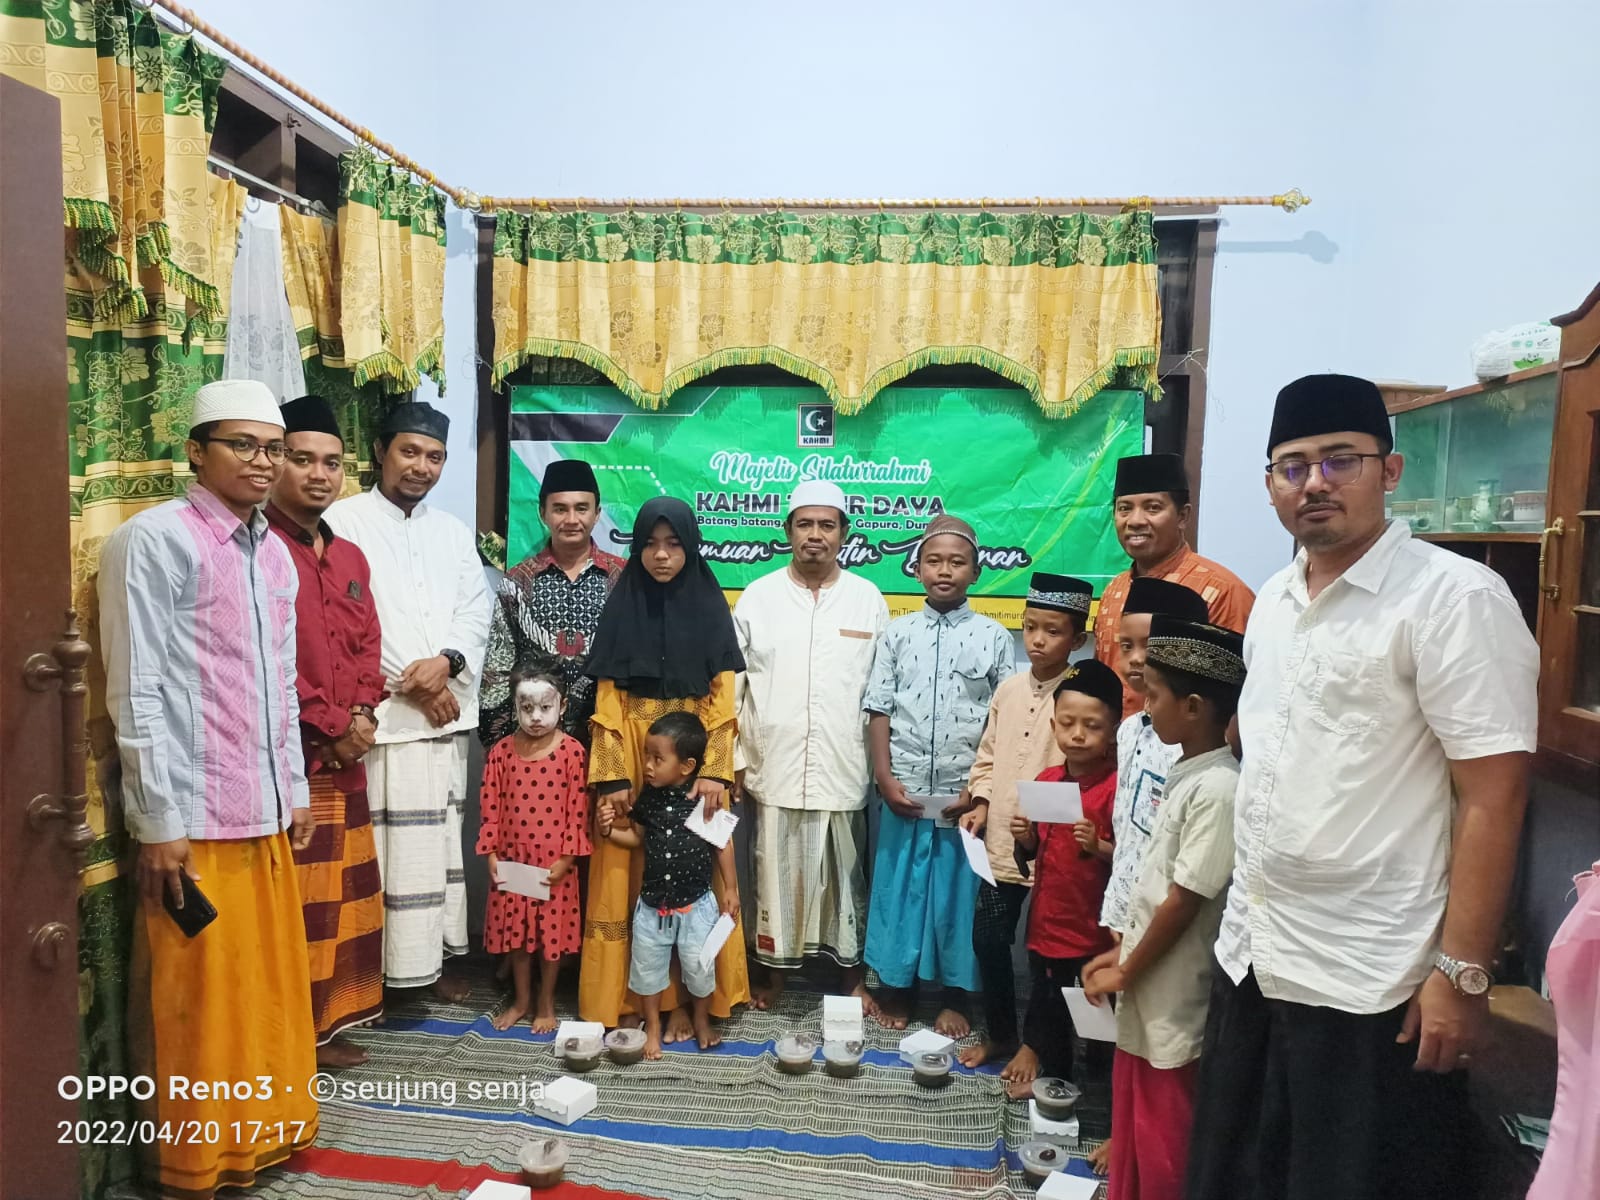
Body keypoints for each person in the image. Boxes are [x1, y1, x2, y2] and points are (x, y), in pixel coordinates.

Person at [1184, 374, 1540, 1200]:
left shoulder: (1454, 600)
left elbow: (1494, 799)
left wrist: (1463, 974)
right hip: (1256, 957)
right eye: (1292, 466)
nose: (1315, 483)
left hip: (1372, 977)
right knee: (1240, 1177)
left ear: (1391, 470)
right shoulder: (1272, 601)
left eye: (1340, 460)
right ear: (1271, 484)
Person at [99, 379, 319, 1197]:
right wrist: (156, 819)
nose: (264, 463)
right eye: (245, 445)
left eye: (275, 449)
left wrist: (293, 787)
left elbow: (280, 686)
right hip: (191, 815)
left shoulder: (274, 552)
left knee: (261, 993)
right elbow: (138, 688)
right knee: (201, 1003)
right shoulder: (152, 542)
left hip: (260, 809)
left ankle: (263, 1135)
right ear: (197, 450)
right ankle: (195, 1161)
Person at [325, 401, 492, 1001]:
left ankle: (430, 965)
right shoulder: (341, 523)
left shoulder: (449, 531)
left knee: (439, 852)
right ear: (379, 451)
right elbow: (345, 623)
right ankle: (378, 977)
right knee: (385, 854)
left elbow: (476, 610)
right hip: (384, 725)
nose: (422, 466)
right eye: (410, 451)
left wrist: (447, 663)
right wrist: (414, 682)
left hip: (442, 721)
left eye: (435, 456)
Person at [1084, 617, 1243, 1200]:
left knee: (1164, 1122)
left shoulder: (1220, 788)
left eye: (1154, 696)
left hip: (1176, 983)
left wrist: (1129, 966)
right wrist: (1123, 952)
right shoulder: (1189, 771)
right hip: (1148, 971)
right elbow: (1156, 892)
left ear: (1195, 706)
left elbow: (1184, 901)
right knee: (1133, 1103)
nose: (1146, 708)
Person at [578, 497, 750, 1038]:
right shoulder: (622, 602)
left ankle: (691, 1003)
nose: (660, 556)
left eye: (673, 544)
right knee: (626, 874)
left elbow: (723, 704)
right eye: (650, 544)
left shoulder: (709, 605)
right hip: (633, 757)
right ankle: (629, 1002)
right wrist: (613, 778)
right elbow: (607, 703)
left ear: (691, 547)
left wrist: (715, 772)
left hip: (694, 760)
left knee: (696, 883)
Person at [732, 479, 890, 1011]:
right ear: (788, 532)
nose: (815, 536)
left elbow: (881, 689)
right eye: (805, 524)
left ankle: (849, 979)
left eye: (827, 525)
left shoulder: (867, 599)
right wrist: (731, 760)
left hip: (844, 765)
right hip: (772, 763)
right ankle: (772, 976)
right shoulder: (759, 595)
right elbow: (733, 685)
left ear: (844, 534)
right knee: (773, 877)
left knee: (845, 880)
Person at [266, 393, 386, 1069]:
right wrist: (334, 725)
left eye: (331, 462)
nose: (318, 474)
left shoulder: (351, 560)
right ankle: (292, 1038)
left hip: (349, 756)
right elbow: (274, 662)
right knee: (300, 909)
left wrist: (364, 716)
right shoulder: (263, 553)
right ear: (277, 463)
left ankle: (329, 1027)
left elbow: (368, 644)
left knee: (345, 904)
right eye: (302, 458)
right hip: (296, 764)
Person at [862, 514, 1015, 1035]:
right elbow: (878, 708)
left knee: (956, 900)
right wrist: (883, 778)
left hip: (962, 800)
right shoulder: (897, 633)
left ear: (976, 571)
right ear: (916, 567)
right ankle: (898, 988)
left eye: (956, 562)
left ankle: (956, 997)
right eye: (933, 561)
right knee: (899, 896)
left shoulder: (993, 637)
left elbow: (1004, 718)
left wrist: (979, 793)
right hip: (903, 790)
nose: (944, 571)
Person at [957, 572, 1093, 1073]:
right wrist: (981, 802)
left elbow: (1088, 771)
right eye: (1031, 627)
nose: (1037, 640)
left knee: (1047, 955)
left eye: (1052, 631)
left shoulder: (1082, 696)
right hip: (1000, 841)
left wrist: (1044, 827)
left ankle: (1038, 1045)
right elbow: (988, 756)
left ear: (1077, 639)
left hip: (1056, 850)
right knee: (989, 938)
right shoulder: (1011, 689)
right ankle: (1000, 1034)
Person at [1005, 659, 1123, 1098]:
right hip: (1048, 920)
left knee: (1098, 1011)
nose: (1077, 735)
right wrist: (1026, 837)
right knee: (1050, 1000)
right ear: (1053, 725)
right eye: (1068, 723)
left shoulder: (1116, 788)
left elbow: (1131, 862)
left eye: (1091, 726)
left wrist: (1099, 846)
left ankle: (1102, 1080)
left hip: (1093, 929)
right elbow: (1036, 853)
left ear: (1113, 730)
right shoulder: (1048, 780)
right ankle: (1054, 1080)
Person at [597, 712, 741, 1058]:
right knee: (647, 971)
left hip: (697, 905)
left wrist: (732, 889)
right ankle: (654, 1028)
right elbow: (637, 838)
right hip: (651, 906)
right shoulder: (648, 797)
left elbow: (722, 843)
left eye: (657, 758)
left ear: (687, 766)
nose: (647, 765)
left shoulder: (702, 798)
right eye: (647, 755)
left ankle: (702, 1019)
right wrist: (608, 832)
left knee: (700, 969)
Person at [1093, 454, 1255, 718]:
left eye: (1152, 507)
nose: (1134, 520)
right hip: (1115, 751)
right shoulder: (1114, 591)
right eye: (1124, 508)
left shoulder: (1222, 592)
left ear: (1183, 515)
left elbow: (1238, 700)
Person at [481, 458, 625, 747]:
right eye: (560, 509)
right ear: (542, 513)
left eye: (581, 508)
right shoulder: (518, 582)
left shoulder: (623, 580)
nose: (571, 520)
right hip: (533, 743)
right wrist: (498, 743)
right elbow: (498, 668)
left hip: (606, 744)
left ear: (597, 514)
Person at [477, 668, 590, 1032]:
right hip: (513, 863)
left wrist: (567, 858)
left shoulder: (573, 753)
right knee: (518, 939)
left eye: (545, 707)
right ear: (515, 708)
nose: (536, 717)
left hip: (554, 864)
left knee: (549, 939)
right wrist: (492, 853)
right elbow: (490, 807)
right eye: (527, 708)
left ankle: (545, 1003)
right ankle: (522, 1000)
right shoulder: (500, 754)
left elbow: (578, 811)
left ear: (563, 706)